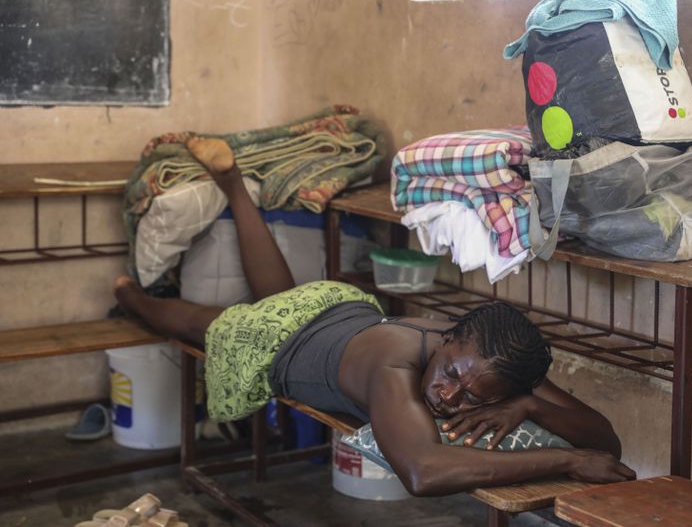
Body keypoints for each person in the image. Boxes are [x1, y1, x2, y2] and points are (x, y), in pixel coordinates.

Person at [114, 137, 636, 497]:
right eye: (452, 376)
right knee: (207, 323)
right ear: (448, 337)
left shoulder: (492, 359)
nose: (450, 397)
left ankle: (232, 183)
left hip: (336, 306)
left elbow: (604, 439)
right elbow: (422, 471)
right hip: (289, 337)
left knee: (277, 295)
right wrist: (567, 460)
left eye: (476, 398)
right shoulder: (396, 368)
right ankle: (132, 295)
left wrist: (529, 406)